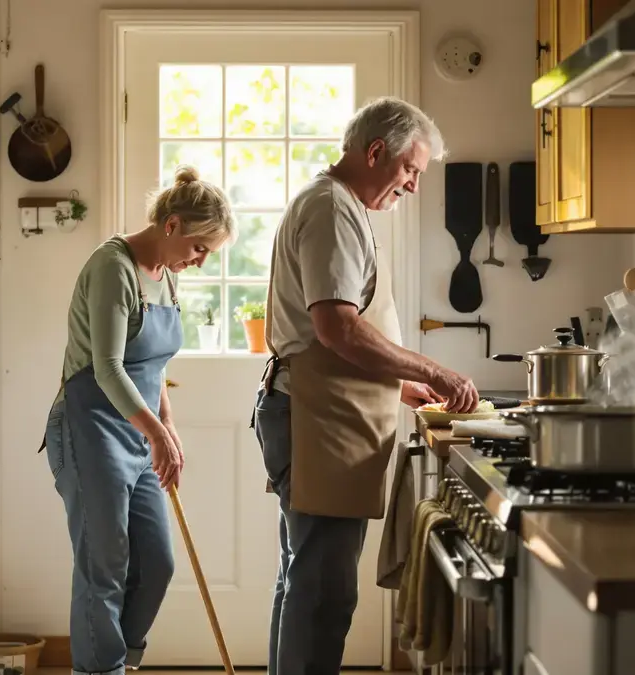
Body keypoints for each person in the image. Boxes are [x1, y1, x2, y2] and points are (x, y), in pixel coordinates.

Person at [252, 96, 479, 675]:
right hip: (316, 418)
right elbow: (337, 327)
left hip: (322, 413)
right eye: (410, 170)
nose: (414, 186)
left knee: (305, 580)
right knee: (322, 592)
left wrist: (398, 386)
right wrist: (431, 371)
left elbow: (334, 333)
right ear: (376, 151)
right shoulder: (332, 209)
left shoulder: (339, 204)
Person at [42, 165, 236, 675]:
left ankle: (117, 663)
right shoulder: (114, 267)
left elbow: (155, 364)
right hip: (90, 428)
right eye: (200, 248)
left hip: (139, 431)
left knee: (155, 564)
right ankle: (99, 669)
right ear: (172, 225)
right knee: (103, 566)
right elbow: (107, 367)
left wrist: (166, 427)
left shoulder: (166, 275)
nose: (201, 261)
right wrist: (156, 433)